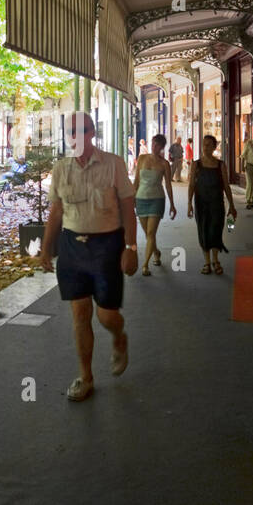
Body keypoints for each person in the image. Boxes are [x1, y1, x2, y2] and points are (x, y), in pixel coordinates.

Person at [39, 112, 138, 402]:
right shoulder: (61, 169)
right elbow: (56, 211)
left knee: (106, 315)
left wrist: (130, 248)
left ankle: (119, 337)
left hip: (107, 246)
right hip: (72, 247)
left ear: (92, 132)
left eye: (82, 130)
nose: (77, 135)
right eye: (71, 131)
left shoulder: (113, 164)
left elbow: (128, 208)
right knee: (80, 315)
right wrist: (46, 248)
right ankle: (86, 376)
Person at [188, 134, 236, 275]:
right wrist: (189, 203)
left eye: (209, 145)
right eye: (204, 144)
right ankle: (207, 262)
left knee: (216, 230)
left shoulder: (220, 165)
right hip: (201, 203)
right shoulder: (196, 164)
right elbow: (191, 185)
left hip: (217, 203)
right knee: (203, 231)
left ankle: (215, 260)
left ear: (215, 147)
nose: (206, 147)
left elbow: (226, 186)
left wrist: (232, 206)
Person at [131, 134, 177, 275]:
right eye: (153, 144)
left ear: (162, 148)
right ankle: (156, 252)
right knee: (148, 234)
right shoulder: (142, 159)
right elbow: (137, 180)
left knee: (151, 232)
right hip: (141, 199)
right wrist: (132, 198)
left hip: (157, 200)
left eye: (157, 145)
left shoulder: (164, 164)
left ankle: (145, 265)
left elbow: (168, 185)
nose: (154, 147)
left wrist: (172, 204)